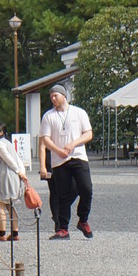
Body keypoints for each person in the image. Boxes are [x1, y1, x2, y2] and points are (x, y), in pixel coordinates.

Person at [39, 86, 94, 239]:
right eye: (51, 97)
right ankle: (63, 228)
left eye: (55, 95)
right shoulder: (48, 116)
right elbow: (45, 139)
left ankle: (83, 219)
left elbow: (88, 133)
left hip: (78, 156)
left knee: (86, 189)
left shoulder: (79, 112)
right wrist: (58, 150)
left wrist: (73, 144)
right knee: (62, 194)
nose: (53, 99)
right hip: (59, 160)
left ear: (64, 96)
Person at [0, 123, 30, 239]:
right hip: (14, 177)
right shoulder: (8, 143)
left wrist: (18, 171)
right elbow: (17, 159)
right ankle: (15, 233)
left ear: (0, 132)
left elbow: (9, 159)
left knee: (0, 203)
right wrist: (22, 173)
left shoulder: (0, 144)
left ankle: (2, 233)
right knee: (10, 205)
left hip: (5, 176)